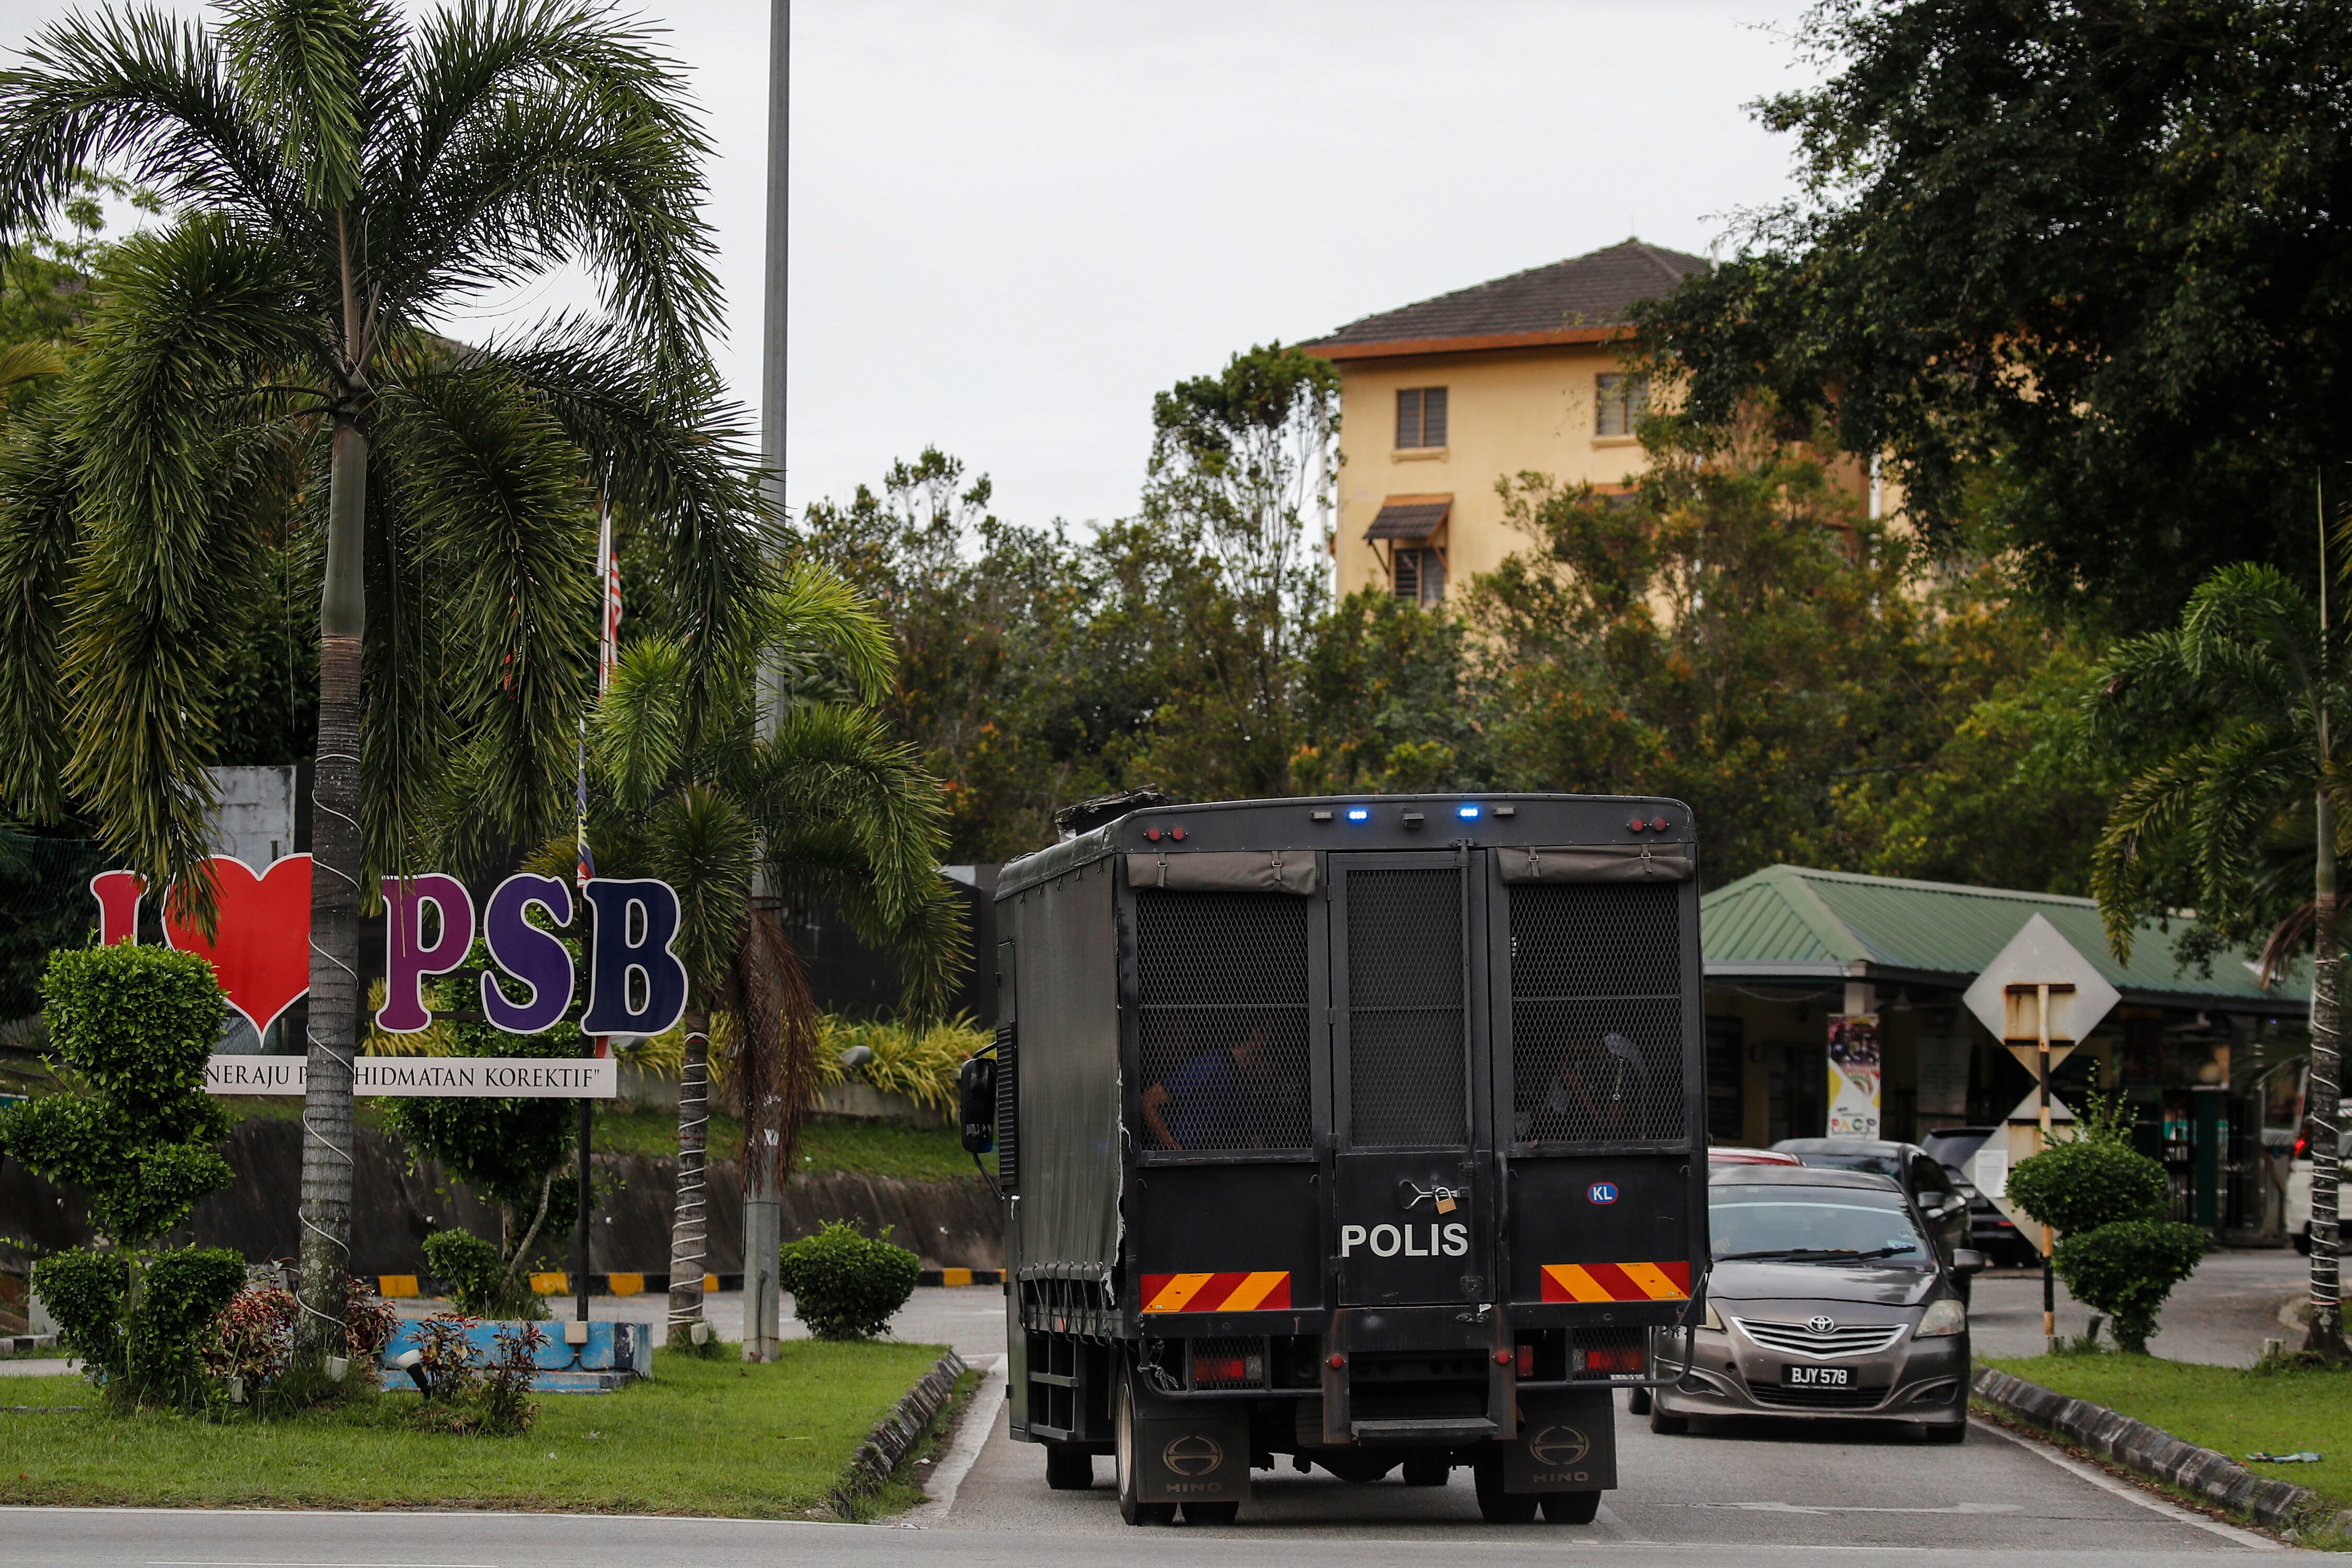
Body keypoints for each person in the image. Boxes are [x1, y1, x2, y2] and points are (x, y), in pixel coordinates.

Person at [1143, 1025, 1275, 1151]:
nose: (1273, 1068)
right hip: (1189, 1158)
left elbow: (1255, 1136)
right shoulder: (1212, 1063)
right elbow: (1148, 1100)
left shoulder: (1243, 1086)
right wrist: (1175, 1149)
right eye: (1269, 1052)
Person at [1518, 1031, 1647, 1143]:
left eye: (1571, 1054)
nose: (1568, 1060)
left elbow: (1613, 1129)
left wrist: (1577, 1089)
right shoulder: (1582, 1075)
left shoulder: (1617, 1067)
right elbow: (1561, 1120)